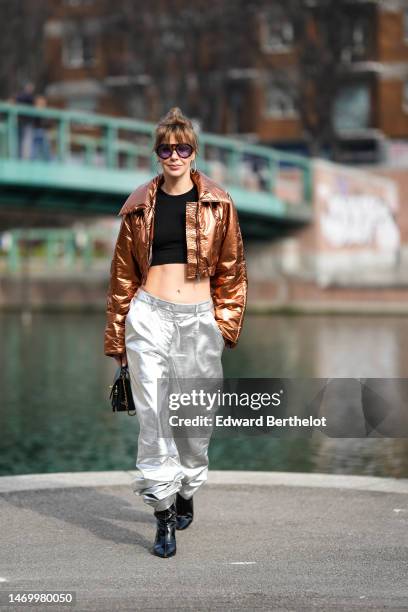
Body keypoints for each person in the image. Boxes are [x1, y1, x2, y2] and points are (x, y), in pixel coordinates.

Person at [104, 107, 248, 558]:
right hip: (148, 317)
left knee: (193, 421)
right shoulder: (137, 206)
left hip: (199, 319)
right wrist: (118, 341)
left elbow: (233, 272)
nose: (173, 155)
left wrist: (221, 328)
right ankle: (163, 512)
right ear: (156, 153)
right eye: (165, 148)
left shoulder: (219, 204)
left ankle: (187, 484)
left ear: (193, 151)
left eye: (181, 147)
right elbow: (122, 277)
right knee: (153, 419)